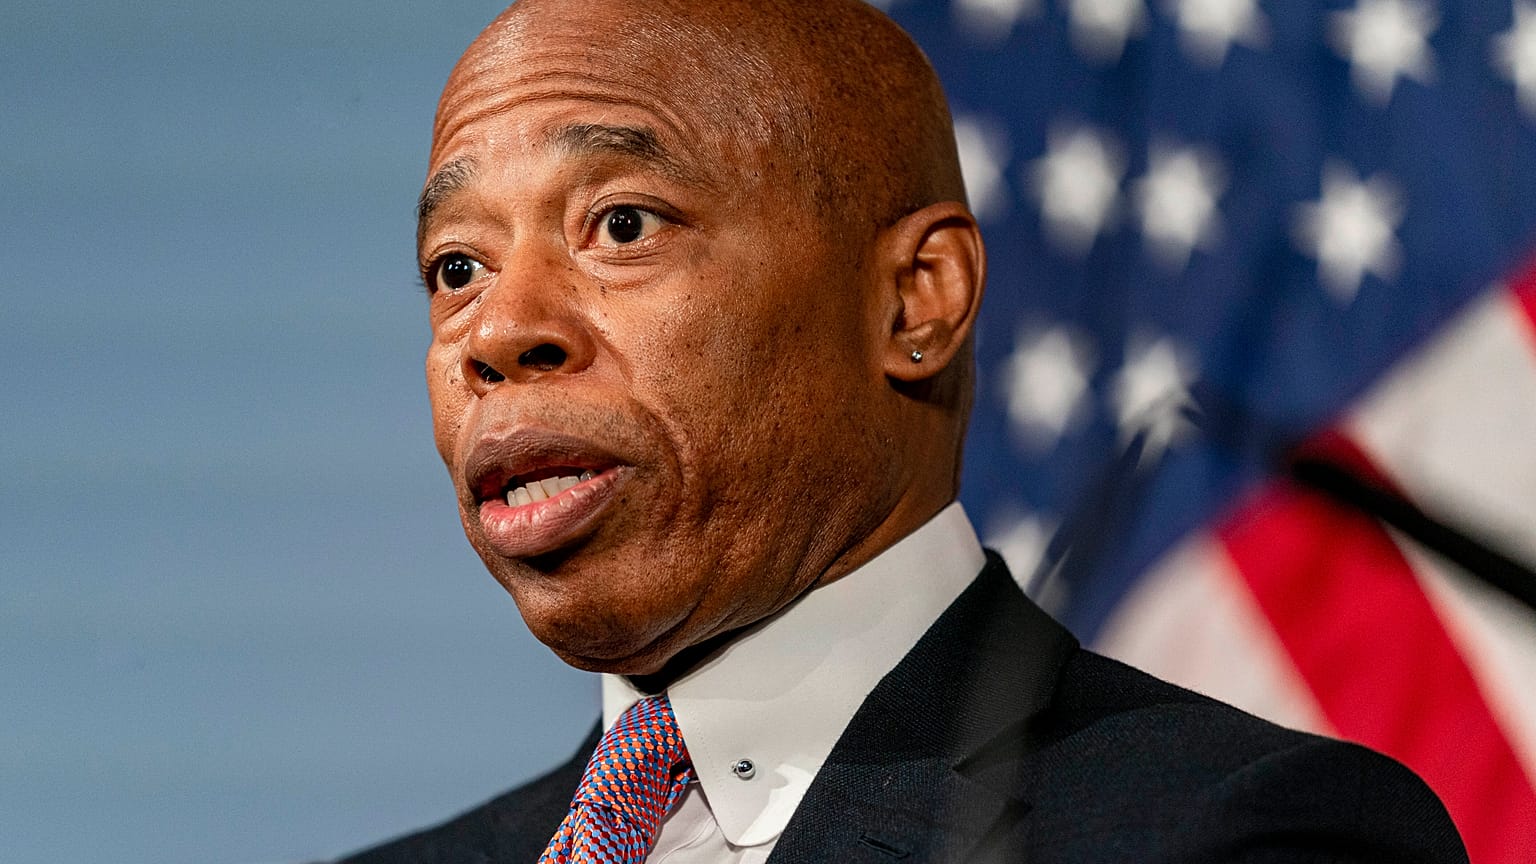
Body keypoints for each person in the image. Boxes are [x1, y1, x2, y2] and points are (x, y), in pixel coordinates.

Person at [339, 0, 1467, 861]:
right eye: (457, 268)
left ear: (914, 299)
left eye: (621, 224)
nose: (499, 330)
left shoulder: (1239, 835)